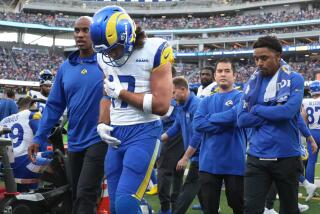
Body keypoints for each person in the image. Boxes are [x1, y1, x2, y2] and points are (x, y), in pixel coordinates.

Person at [90, 6, 173, 214]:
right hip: (116, 136)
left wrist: (122, 94)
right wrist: (102, 123)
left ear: (128, 36)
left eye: (114, 48)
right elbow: (107, 93)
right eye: (106, 50)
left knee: (127, 203)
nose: (110, 55)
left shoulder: (154, 50)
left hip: (143, 132)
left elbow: (162, 105)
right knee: (117, 207)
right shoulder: (104, 57)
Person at [28, 16, 107, 214]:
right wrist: (39, 137)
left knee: (85, 193)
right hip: (74, 141)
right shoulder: (65, 68)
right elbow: (54, 106)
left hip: (99, 139)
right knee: (74, 193)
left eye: (85, 30)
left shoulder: (107, 63)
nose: (80, 35)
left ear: (95, 32)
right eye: (77, 30)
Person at [237, 35, 305, 213]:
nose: (259, 63)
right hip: (256, 156)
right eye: (256, 59)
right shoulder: (251, 84)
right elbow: (242, 120)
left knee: (289, 209)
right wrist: (273, 109)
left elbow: (287, 112)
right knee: (251, 209)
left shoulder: (295, 79)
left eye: (264, 58)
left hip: (286, 157)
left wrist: (258, 109)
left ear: (278, 56)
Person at [193, 58, 245, 214]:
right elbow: (198, 124)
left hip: (234, 162)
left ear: (234, 75)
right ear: (215, 76)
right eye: (220, 71)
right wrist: (226, 121)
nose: (223, 74)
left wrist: (210, 118)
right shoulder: (206, 100)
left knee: (239, 206)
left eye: (227, 71)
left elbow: (236, 117)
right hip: (209, 163)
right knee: (209, 209)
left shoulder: (242, 97)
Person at [161, 76, 203, 214]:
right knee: (204, 190)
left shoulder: (196, 106)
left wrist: (185, 158)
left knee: (188, 188)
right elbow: (176, 127)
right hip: (197, 155)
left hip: (203, 155)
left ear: (183, 90)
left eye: (173, 92)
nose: (171, 96)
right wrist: (159, 139)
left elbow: (198, 135)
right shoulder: (180, 106)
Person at [0, 97, 43, 192]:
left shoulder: (4, 120)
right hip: (25, 164)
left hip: (6, 164)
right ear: (31, 105)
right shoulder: (32, 114)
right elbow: (43, 137)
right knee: (49, 156)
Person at [302, 80, 320, 197]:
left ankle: (310, 188)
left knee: (311, 162)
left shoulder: (305, 101)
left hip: (312, 132)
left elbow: (304, 119)